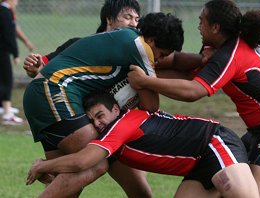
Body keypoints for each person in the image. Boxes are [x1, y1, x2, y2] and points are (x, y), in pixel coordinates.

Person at [127, 0, 260, 197]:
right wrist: (143, 67)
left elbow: (193, 91)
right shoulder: (220, 47)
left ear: (216, 27)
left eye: (202, 21)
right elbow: (187, 75)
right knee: (206, 187)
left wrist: (145, 81)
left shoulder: (232, 53)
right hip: (257, 129)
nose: (198, 26)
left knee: (249, 192)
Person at [23, 12, 184, 197]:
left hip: (42, 93)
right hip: (54, 90)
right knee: (96, 161)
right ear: (153, 41)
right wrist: (144, 83)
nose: (159, 60)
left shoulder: (126, 38)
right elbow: (151, 106)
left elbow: (179, 63)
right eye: (162, 55)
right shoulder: (140, 46)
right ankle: (42, 167)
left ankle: (46, 168)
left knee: (69, 185)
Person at [26, 91, 259, 198]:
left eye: (100, 115)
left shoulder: (122, 125)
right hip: (199, 165)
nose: (97, 124)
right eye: (92, 120)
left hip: (215, 142)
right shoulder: (113, 132)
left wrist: (41, 166)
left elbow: (82, 161)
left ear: (116, 109)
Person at [23, 0, 139, 78]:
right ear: (109, 19)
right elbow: (42, 66)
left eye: (137, 19)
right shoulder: (77, 45)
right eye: (127, 17)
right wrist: (35, 67)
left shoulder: (134, 54)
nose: (134, 24)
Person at [0, 0, 31, 125]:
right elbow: (9, 35)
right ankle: (8, 113)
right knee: (7, 80)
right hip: (2, 51)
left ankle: (3, 107)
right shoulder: (4, 12)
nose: (17, 2)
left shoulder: (5, 11)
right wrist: (15, 53)